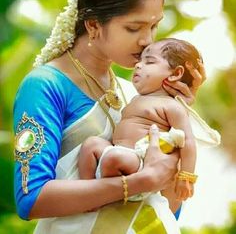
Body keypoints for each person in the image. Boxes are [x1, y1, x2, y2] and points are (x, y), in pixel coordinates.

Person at [13, 0, 206, 234]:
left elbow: (164, 207)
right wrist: (138, 183)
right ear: (93, 25)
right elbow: (31, 199)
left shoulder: (133, 93)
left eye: (153, 26)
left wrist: (177, 113)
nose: (147, 41)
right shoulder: (45, 86)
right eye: (133, 27)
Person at [77, 38, 215, 215]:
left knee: (114, 158)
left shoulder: (171, 106)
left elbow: (188, 142)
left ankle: (99, 194)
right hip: (118, 152)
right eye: (139, 60)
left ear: (175, 74)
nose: (138, 65)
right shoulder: (135, 98)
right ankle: (87, 193)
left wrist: (186, 177)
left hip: (141, 161)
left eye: (149, 61)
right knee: (91, 144)